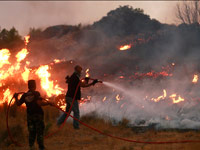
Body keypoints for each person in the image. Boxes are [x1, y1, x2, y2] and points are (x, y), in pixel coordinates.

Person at [14, 80, 53, 150]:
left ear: (28, 86)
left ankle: (31, 146)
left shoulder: (24, 95)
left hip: (30, 116)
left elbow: (18, 104)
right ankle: (41, 147)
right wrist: (49, 103)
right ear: (35, 86)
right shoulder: (36, 93)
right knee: (39, 131)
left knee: (31, 132)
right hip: (38, 115)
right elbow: (39, 103)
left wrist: (16, 97)